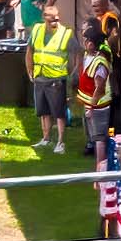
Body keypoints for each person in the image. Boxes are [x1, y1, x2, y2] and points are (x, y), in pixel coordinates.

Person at [28, 10, 74, 152]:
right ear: (44, 18)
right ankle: (46, 139)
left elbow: (77, 55)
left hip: (56, 79)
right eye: (51, 20)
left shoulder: (66, 34)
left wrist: (71, 75)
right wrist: (29, 70)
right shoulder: (37, 30)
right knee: (43, 111)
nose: (55, 22)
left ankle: (60, 143)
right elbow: (30, 51)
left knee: (59, 112)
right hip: (40, 76)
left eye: (56, 19)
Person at [75, 24, 114, 149]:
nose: (83, 42)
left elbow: (100, 87)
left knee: (100, 137)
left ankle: (101, 163)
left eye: (85, 40)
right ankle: (92, 148)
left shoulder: (99, 62)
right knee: (92, 133)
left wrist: (91, 107)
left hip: (99, 106)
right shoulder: (87, 56)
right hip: (89, 103)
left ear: (91, 44)